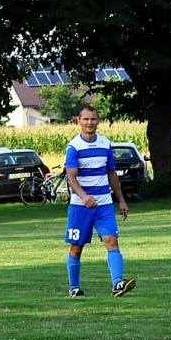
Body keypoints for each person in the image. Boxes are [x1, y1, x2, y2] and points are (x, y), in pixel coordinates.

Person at [63, 106, 135, 298]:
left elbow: (112, 173)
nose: (90, 123)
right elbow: (71, 177)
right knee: (76, 247)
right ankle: (74, 288)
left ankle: (118, 283)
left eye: (93, 119)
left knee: (112, 240)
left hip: (103, 205)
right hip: (81, 206)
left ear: (98, 120)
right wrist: (84, 196)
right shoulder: (74, 147)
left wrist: (121, 200)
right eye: (86, 119)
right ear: (78, 120)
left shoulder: (105, 144)